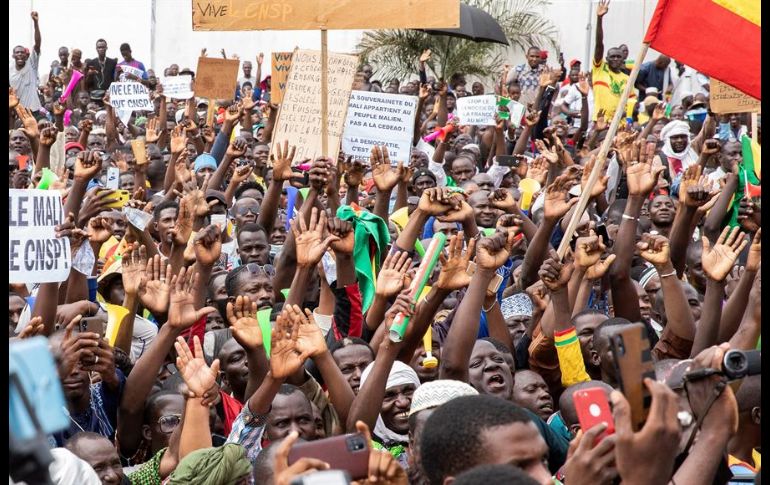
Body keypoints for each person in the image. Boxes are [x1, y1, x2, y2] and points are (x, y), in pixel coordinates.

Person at [591, 0, 635, 120]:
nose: (615, 59)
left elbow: (632, 102)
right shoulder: (600, 69)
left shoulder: (627, 79)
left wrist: (626, 114)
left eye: (618, 57)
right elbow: (599, 45)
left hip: (619, 125)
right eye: (612, 57)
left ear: (623, 59)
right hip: (600, 122)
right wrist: (599, 19)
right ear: (607, 59)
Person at [9, 11, 42, 112]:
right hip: (16, 111)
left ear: (26, 55)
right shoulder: (10, 67)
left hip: (33, 110)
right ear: (13, 55)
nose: (20, 54)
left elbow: (37, 44)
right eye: (17, 53)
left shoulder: (32, 64)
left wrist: (36, 23)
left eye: (22, 52)